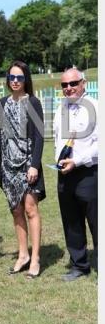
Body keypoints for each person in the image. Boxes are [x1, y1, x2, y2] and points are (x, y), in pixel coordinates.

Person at [0, 60, 45, 278]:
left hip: (27, 165)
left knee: (31, 209)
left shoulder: (33, 102)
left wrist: (34, 165)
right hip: (8, 167)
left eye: (19, 77)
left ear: (26, 80)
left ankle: (36, 257)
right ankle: (23, 255)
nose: (15, 81)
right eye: (12, 77)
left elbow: (39, 137)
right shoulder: (2, 103)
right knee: (16, 211)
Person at [53, 67, 98, 281]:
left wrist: (77, 161)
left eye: (73, 83)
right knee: (71, 222)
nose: (69, 88)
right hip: (64, 173)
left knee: (97, 222)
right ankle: (79, 265)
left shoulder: (96, 107)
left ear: (83, 83)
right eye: (64, 85)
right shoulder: (61, 107)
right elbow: (57, 139)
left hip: (89, 172)